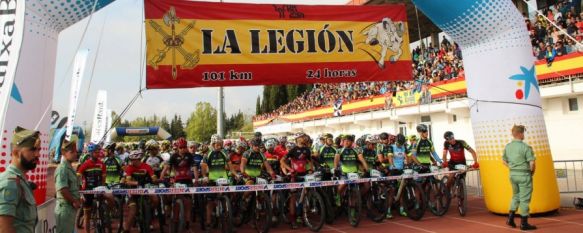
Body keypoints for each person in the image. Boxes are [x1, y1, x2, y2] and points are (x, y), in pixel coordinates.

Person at [0, 127, 40, 233]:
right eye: (32, 149)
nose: (37, 155)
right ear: (16, 153)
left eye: (38, 150)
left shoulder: (20, 180)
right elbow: (4, 229)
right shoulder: (10, 183)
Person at [503, 125, 537, 230]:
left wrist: (512, 168)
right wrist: (531, 172)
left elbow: (503, 161)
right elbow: (532, 163)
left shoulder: (508, 147)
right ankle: (524, 223)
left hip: (513, 174)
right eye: (523, 133)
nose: (524, 135)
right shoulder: (526, 147)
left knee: (515, 196)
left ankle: (510, 219)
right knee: (524, 199)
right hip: (524, 175)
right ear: (520, 134)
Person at [201, 134, 236, 232]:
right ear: (213, 144)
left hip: (224, 179)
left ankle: (228, 222)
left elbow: (230, 166)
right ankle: (208, 222)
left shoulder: (224, 153)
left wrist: (235, 174)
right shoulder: (207, 154)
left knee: (226, 200)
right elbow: (203, 167)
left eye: (220, 144)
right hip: (212, 179)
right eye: (217, 144)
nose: (219, 146)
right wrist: (204, 177)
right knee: (210, 202)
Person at [280, 132, 314, 229]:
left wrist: (311, 169)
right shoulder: (293, 149)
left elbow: (310, 161)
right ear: (298, 139)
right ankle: (292, 220)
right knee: (293, 197)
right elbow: (282, 161)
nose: (304, 138)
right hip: (294, 176)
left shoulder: (307, 150)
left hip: (304, 175)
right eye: (302, 137)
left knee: (304, 196)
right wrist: (290, 169)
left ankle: (302, 215)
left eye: (304, 137)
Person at [160, 137, 195, 229]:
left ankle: (187, 220)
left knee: (188, 201)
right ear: (178, 147)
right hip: (177, 180)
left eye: (184, 147)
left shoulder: (189, 155)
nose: (183, 149)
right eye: (181, 147)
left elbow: (194, 167)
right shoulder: (173, 156)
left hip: (188, 180)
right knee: (177, 200)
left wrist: (196, 179)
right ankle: (175, 219)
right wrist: (161, 177)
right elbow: (166, 167)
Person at [77, 142, 112, 232]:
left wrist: (104, 187)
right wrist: (79, 187)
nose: (98, 154)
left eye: (98, 152)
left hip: (99, 188)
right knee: (87, 215)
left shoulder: (101, 164)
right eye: (96, 152)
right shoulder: (85, 164)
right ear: (91, 153)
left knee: (111, 197)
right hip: (87, 190)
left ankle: (107, 214)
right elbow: (78, 176)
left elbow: (104, 177)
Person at [122, 150, 160, 233]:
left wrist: (155, 180)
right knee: (133, 211)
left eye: (133, 160)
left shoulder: (147, 166)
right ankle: (126, 230)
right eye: (131, 160)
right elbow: (127, 181)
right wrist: (136, 183)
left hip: (145, 189)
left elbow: (153, 177)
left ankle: (151, 211)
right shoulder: (129, 168)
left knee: (156, 199)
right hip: (133, 192)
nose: (131, 161)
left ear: (139, 159)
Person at [334, 135, 368, 209]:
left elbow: (362, 160)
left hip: (354, 173)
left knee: (361, 188)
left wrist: (366, 168)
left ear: (352, 142)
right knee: (342, 185)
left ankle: (354, 204)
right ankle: (337, 196)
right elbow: (336, 160)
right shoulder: (339, 150)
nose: (346, 142)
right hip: (344, 173)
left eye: (348, 140)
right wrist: (335, 168)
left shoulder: (356, 150)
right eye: (345, 140)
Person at [55, 139, 81, 233]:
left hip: (70, 209)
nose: (75, 154)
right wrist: (74, 201)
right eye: (72, 152)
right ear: (64, 153)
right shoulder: (62, 168)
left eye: (76, 152)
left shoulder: (70, 167)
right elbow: (63, 189)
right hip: (65, 209)